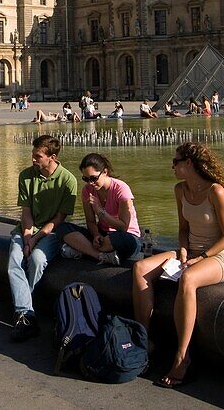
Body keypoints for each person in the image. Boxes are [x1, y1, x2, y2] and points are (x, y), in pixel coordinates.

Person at [132, 142, 224, 388]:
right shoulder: (180, 190)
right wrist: (182, 249)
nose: (172, 166)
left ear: (189, 163)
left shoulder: (216, 191)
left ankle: (182, 356)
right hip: (190, 253)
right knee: (140, 269)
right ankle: (144, 339)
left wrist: (201, 257)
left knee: (188, 279)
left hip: (220, 257)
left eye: (175, 161)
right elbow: (183, 229)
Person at [7, 134, 77, 342]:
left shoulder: (68, 180)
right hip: (25, 229)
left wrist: (35, 239)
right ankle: (26, 313)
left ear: (52, 157)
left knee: (37, 259)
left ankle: (24, 311)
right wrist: (28, 236)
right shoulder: (26, 175)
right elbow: (26, 212)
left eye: (37, 156)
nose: (33, 159)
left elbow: (58, 219)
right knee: (14, 258)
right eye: (33, 154)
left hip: (52, 232)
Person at [60, 153, 141, 266]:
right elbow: (90, 221)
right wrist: (96, 235)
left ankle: (83, 250)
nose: (90, 183)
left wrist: (100, 211)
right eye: (86, 179)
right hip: (102, 235)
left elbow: (123, 226)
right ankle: (100, 256)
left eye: (93, 178)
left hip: (125, 235)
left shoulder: (121, 189)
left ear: (105, 172)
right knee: (62, 228)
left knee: (122, 240)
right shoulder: (87, 190)